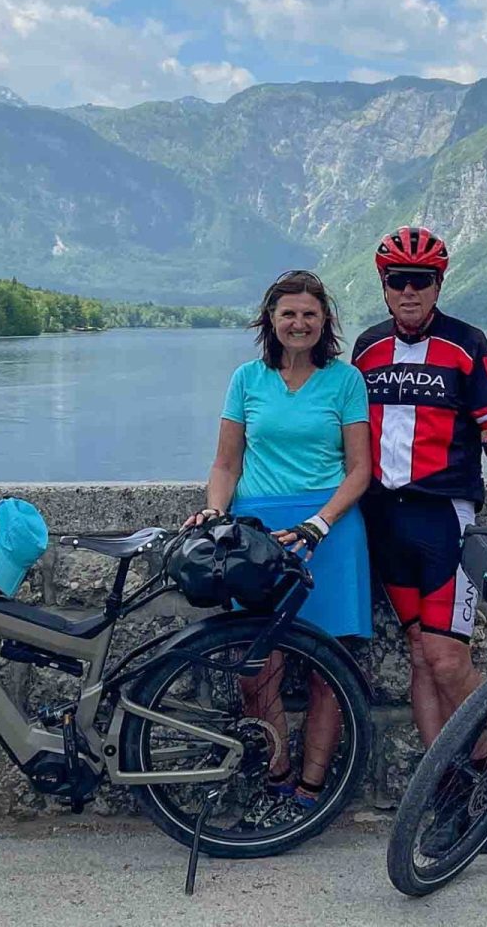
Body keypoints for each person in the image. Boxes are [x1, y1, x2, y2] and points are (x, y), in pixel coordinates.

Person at [352, 225, 487, 850]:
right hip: (384, 519)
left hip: (443, 518)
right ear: (384, 285)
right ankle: (448, 793)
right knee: (419, 658)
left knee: (450, 660)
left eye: (421, 280)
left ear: (438, 284)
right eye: (398, 280)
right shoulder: (367, 349)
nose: (409, 291)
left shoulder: (467, 344)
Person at [183, 269, 372, 828]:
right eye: (288, 313)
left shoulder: (346, 381)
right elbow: (226, 464)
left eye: (309, 313)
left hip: (329, 532)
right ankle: (277, 777)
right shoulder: (246, 379)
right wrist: (215, 512)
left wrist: (320, 522)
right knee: (256, 668)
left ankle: (310, 792)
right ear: (271, 319)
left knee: (328, 671)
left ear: (324, 321)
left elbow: (360, 469)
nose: (299, 323)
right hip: (257, 536)